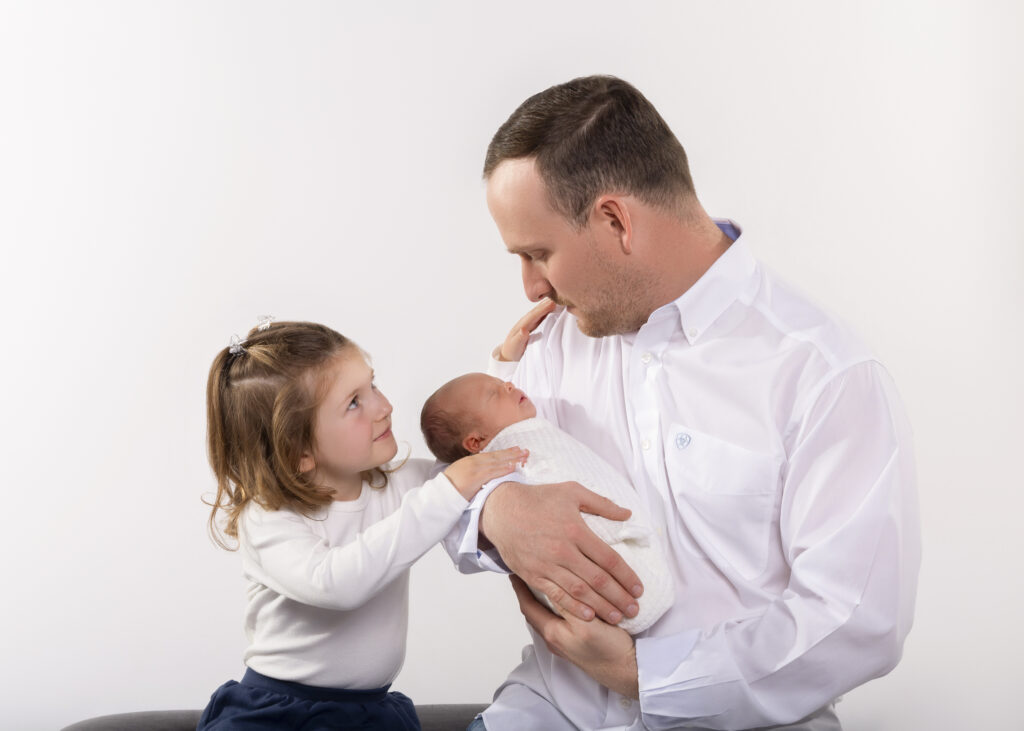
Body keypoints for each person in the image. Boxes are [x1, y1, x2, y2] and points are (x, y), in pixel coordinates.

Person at [446, 75, 921, 730]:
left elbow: (856, 617)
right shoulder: (550, 342)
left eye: (539, 252)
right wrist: (494, 512)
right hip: (551, 710)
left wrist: (649, 675)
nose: (531, 286)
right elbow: (440, 490)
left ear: (615, 220)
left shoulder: (822, 371)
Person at [198, 319, 527, 730]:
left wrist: (507, 377)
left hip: (372, 711)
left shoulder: (401, 483)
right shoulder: (268, 516)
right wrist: (447, 490)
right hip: (279, 712)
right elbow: (335, 584)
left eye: (373, 385)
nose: (384, 406)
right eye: (354, 402)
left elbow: (481, 446)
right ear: (298, 450)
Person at [420, 371, 674, 634]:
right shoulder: (514, 455)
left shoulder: (527, 423)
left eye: (503, 383)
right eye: (494, 393)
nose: (508, 384)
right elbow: (451, 480)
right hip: (611, 603)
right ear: (477, 442)